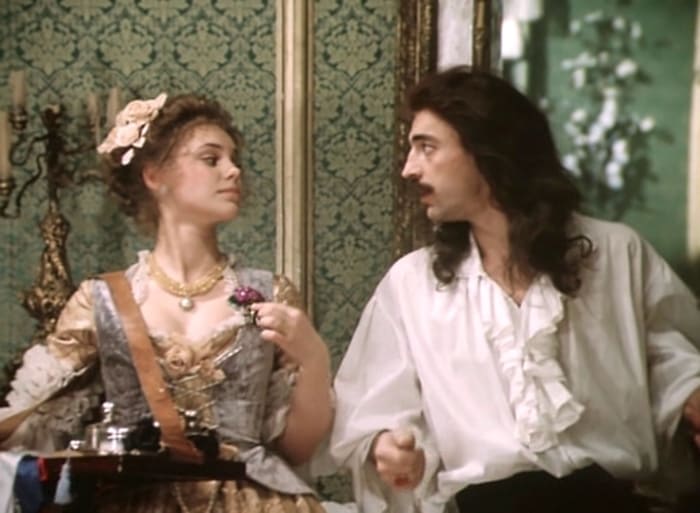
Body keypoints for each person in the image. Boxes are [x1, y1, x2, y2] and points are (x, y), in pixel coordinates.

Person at [329, 66, 700, 513]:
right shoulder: (412, 284)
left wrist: (689, 396)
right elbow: (373, 411)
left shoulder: (618, 254)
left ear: (488, 151)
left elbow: (677, 364)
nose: (409, 169)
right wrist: (388, 447)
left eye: (427, 147)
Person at [0, 92, 333, 513]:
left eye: (234, 159)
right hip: (133, 502)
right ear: (154, 175)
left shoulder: (271, 294)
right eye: (211, 159)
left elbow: (298, 448)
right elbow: (29, 422)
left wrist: (315, 359)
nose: (233, 170)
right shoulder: (102, 300)